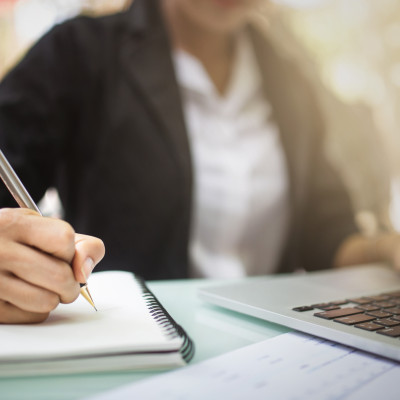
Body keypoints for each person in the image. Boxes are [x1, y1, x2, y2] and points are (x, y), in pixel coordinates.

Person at [0, 0, 399, 323]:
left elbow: (326, 234)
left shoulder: (290, 76)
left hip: (273, 344)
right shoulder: (77, 53)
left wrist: (384, 249)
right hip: (129, 345)